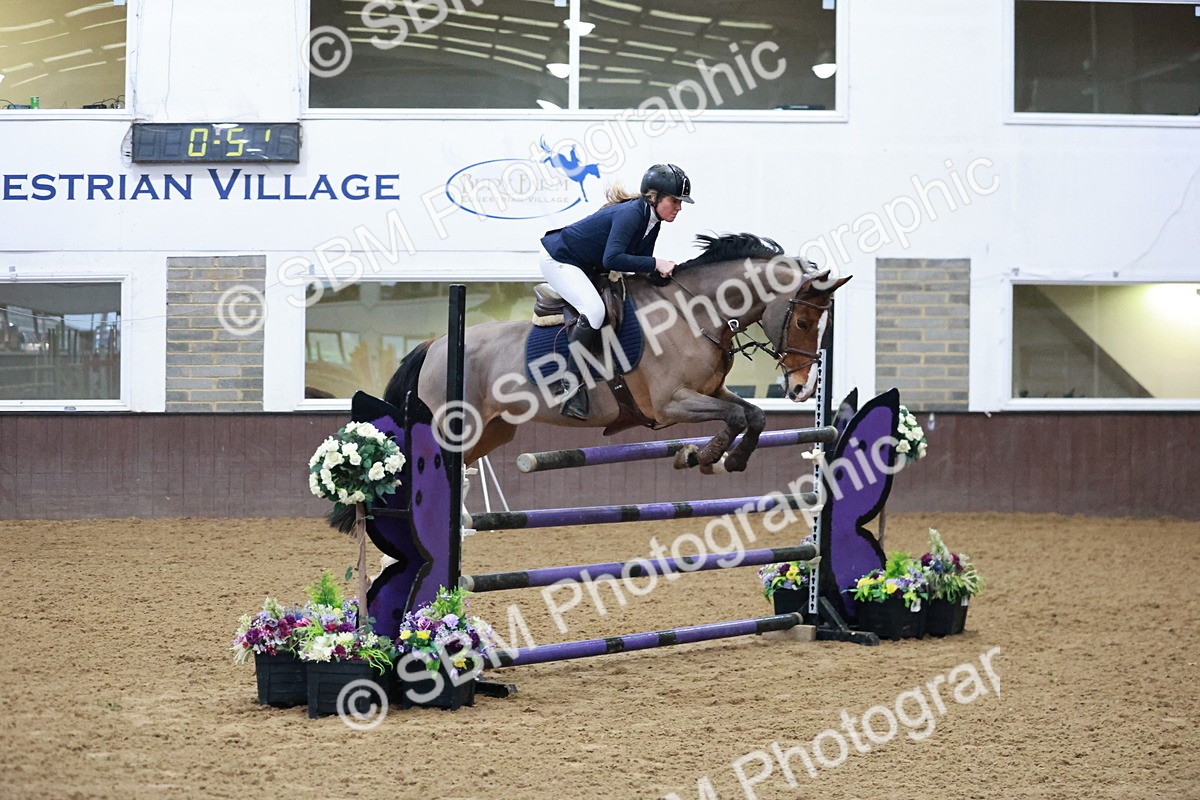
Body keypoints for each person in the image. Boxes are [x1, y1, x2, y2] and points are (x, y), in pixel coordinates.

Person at [539, 163, 694, 419]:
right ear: (654, 197)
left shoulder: (653, 220)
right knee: (595, 311)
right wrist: (657, 263)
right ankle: (568, 386)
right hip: (560, 260)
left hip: (585, 264)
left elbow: (639, 263)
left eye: (681, 202)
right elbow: (613, 259)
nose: (679, 207)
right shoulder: (633, 213)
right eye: (675, 200)